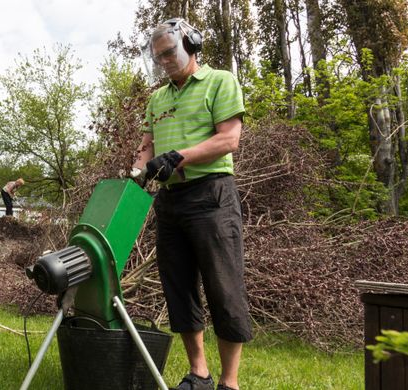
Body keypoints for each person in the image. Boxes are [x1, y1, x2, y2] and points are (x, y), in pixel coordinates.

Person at [132, 18, 250, 390]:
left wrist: (179, 156)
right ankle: (199, 373)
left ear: (191, 43)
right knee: (178, 287)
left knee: (223, 288)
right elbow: (147, 145)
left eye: (170, 52)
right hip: (170, 202)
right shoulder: (157, 97)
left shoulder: (220, 82)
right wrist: (137, 172)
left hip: (211, 195)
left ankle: (229, 383)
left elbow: (228, 140)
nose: (164, 60)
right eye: (158, 56)